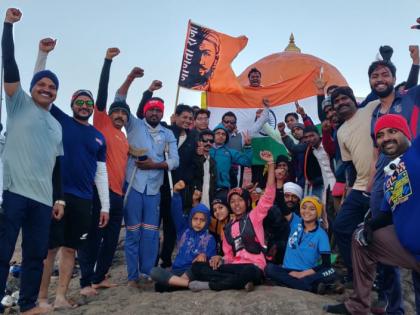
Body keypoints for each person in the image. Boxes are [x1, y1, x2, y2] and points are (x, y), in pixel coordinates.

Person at [0, 9, 64, 314]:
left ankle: (27, 305)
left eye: (52, 87)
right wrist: (8, 26)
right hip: (14, 192)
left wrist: (58, 198)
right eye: (42, 84)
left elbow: (56, 166)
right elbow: (9, 65)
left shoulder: (56, 125)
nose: (47, 89)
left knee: (36, 255)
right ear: (33, 87)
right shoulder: (18, 104)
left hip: (42, 199)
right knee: (2, 252)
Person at [324, 114, 420, 315]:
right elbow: (386, 214)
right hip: (408, 250)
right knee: (360, 238)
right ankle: (358, 305)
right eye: (380, 135)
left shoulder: (417, 152)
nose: (386, 138)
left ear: (406, 133)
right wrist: (369, 224)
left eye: (392, 131)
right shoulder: (391, 173)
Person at [77, 48, 133, 293]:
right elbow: (102, 93)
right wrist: (107, 62)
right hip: (100, 192)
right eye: (116, 112)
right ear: (108, 114)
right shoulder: (101, 124)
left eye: (123, 113)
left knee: (111, 241)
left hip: (119, 194)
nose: (119, 115)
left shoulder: (124, 138)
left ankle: (100, 277)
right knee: (93, 238)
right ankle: (86, 280)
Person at [188, 151, 275, 292]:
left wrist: (271, 164)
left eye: (240, 200)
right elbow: (229, 255)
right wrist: (219, 259)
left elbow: (269, 195)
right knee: (198, 267)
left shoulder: (254, 217)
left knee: (250, 271)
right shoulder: (227, 228)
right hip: (234, 267)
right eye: (232, 202)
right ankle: (241, 283)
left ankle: (212, 285)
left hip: (254, 266)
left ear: (246, 202)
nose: (236, 204)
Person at [120, 95, 179, 286]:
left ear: (162, 112)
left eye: (158, 110)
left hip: (154, 189)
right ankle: (132, 276)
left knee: (151, 233)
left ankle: (147, 273)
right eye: (151, 109)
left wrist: (155, 164)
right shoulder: (134, 125)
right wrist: (133, 82)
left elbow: (174, 161)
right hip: (133, 185)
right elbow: (119, 101)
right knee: (133, 233)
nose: (155, 113)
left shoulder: (167, 133)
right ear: (145, 110)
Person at [330, 86, 379, 286]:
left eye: (344, 98)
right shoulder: (340, 132)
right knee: (341, 227)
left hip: (382, 183)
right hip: (359, 187)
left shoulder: (370, 108)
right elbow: (349, 166)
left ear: (353, 99)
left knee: (378, 234)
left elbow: (391, 93)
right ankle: (356, 274)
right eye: (337, 101)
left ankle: (378, 280)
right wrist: (348, 192)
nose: (341, 102)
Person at [150, 180, 216, 291]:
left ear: (207, 222)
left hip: (192, 271)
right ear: (190, 219)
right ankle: (188, 284)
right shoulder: (184, 231)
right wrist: (175, 193)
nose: (198, 222)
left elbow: (211, 260)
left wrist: (204, 256)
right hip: (177, 271)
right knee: (154, 272)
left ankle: (180, 283)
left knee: (198, 268)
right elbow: (176, 212)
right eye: (195, 219)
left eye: (202, 220)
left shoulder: (209, 238)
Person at [265, 196, 336, 294]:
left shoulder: (321, 234)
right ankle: (312, 288)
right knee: (269, 268)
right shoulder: (295, 222)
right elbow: (281, 203)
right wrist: (279, 184)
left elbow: (326, 264)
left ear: (318, 213)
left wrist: (302, 274)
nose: (307, 211)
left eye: (312, 209)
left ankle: (290, 283)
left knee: (332, 272)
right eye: (304, 207)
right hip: (288, 271)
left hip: (307, 273)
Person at [210, 124, 253, 200]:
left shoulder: (230, 152)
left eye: (223, 134)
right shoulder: (206, 149)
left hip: (222, 189)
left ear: (226, 137)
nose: (221, 136)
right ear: (213, 135)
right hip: (205, 187)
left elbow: (247, 162)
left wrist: (248, 146)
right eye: (218, 133)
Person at [264, 182, 303, 265]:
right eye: (287, 196)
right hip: (272, 249)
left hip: (293, 250)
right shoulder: (272, 210)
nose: (290, 199)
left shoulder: (302, 214)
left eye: (294, 197)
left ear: (299, 199)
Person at [192, 130, 217, 208]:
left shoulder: (213, 161)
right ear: (199, 142)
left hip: (208, 202)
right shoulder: (192, 157)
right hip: (194, 201)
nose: (208, 143)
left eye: (211, 141)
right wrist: (199, 157)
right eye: (205, 140)